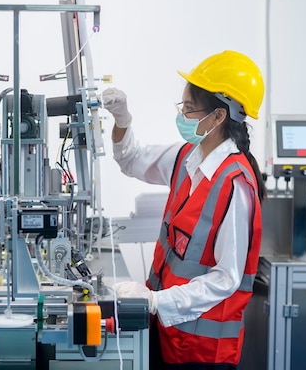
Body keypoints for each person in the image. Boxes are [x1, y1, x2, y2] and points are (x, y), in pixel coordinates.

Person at [102, 50, 266, 370]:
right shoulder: (187, 158)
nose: (183, 116)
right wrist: (123, 120)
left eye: (190, 109)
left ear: (219, 116)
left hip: (204, 353)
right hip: (168, 335)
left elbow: (225, 279)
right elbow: (132, 159)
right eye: (183, 107)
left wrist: (154, 301)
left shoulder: (234, 185)